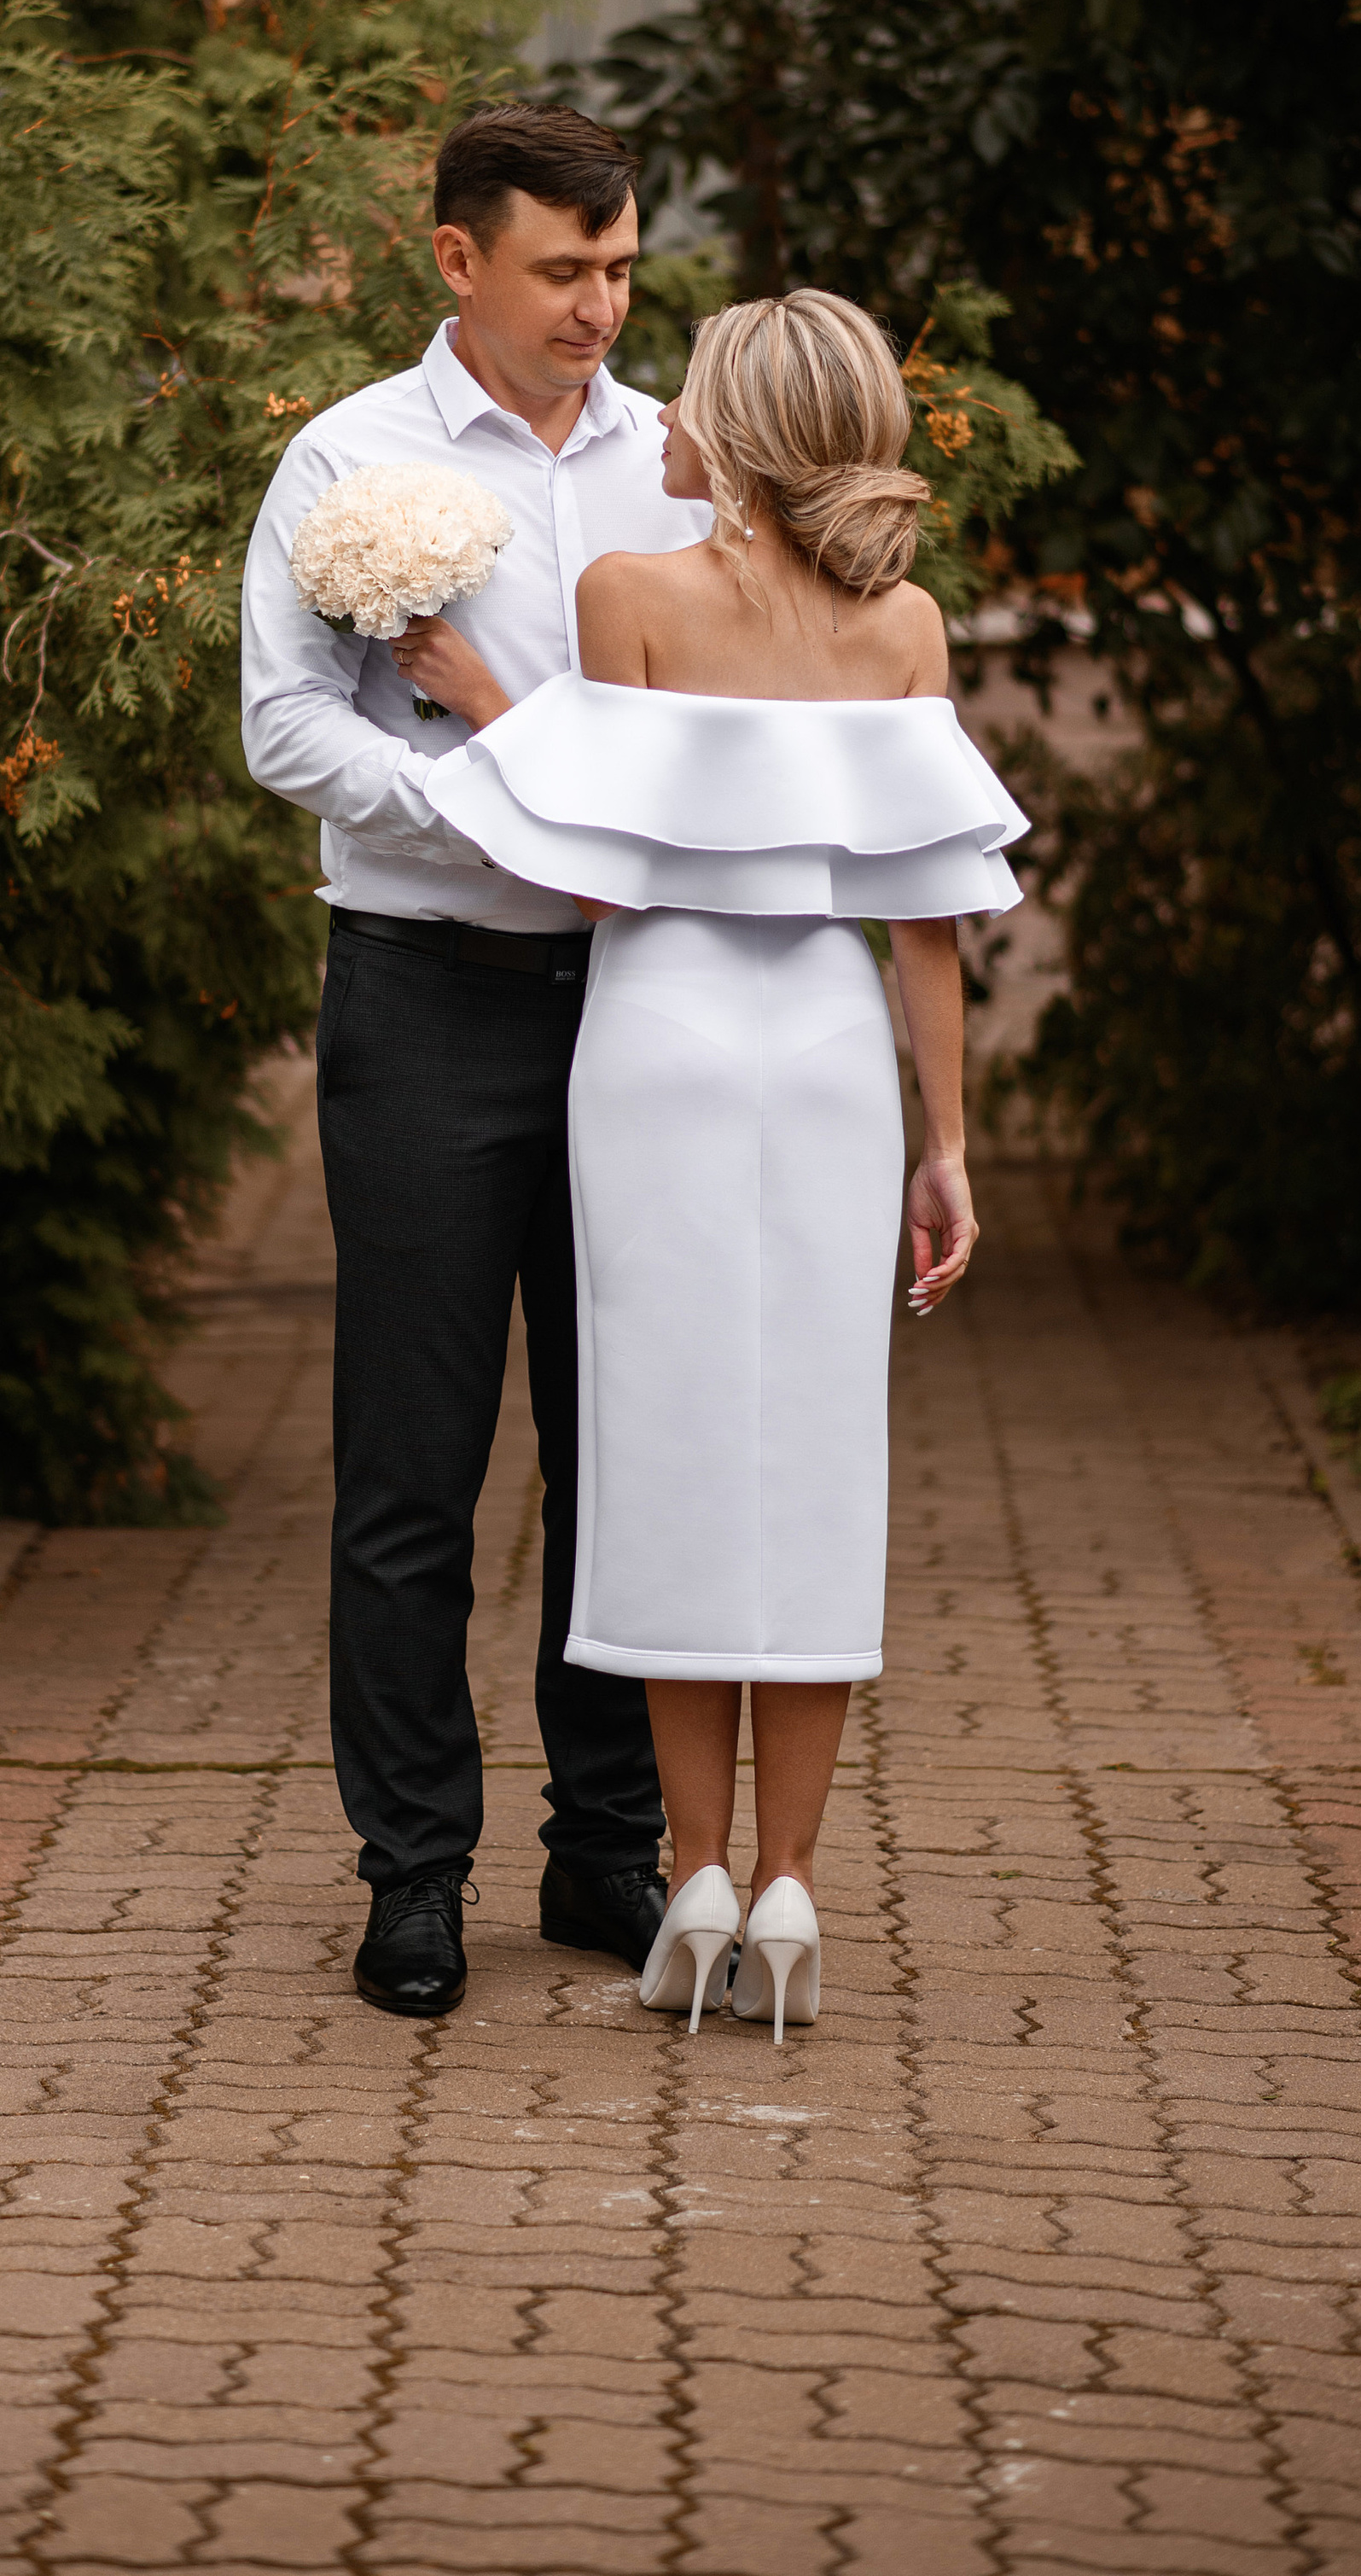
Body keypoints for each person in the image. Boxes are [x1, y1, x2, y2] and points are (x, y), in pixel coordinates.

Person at [419, 290, 1027, 2041]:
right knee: (819, 1460)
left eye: (679, 396)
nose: (652, 416)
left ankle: (686, 1876)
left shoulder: (628, 599)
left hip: (661, 1046)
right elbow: (928, 919)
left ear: (736, 437)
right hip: (830, 1057)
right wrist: (948, 1146)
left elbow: (603, 866)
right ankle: (787, 1892)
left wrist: (480, 694)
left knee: (673, 1448)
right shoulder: (901, 625)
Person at [240, 102, 707, 2020]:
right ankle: (410, 1871)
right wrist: (500, 815)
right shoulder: (346, 460)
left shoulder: (683, 464)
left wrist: (580, 807)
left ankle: (604, 1851)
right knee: (411, 1464)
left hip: (642, 1005)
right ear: (458, 261)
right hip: (424, 998)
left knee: (622, 1448)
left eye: (616, 267)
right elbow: (288, 729)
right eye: (562, 268)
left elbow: (721, 725)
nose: (599, 302)